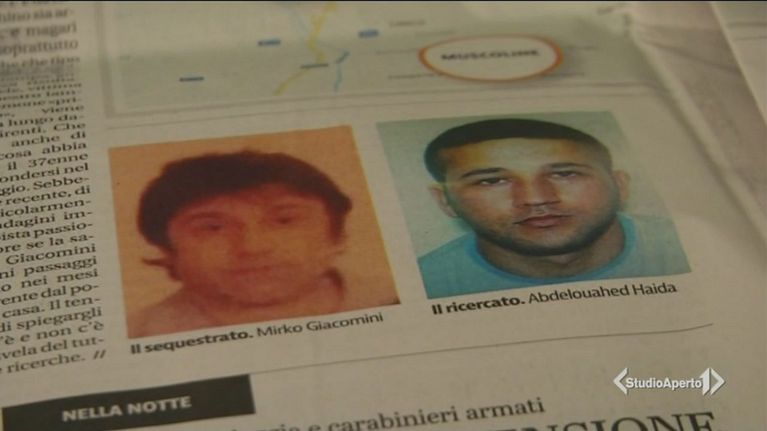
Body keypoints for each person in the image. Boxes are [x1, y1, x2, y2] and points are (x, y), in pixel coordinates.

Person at [419, 118, 690, 299]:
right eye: (491, 181)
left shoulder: (690, 247)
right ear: (445, 201)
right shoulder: (426, 282)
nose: (536, 198)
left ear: (620, 185)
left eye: (565, 174)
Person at [129, 151, 357, 337]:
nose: (253, 248)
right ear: (167, 251)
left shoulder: (379, 299)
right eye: (212, 228)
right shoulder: (136, 334)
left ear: (338, 235)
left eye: (285, 220)